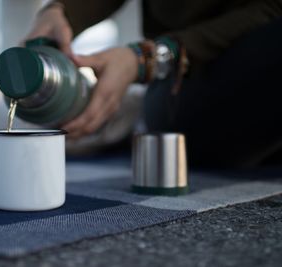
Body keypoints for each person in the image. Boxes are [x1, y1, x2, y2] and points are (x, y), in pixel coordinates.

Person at [24, 0, 282, 168]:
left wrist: (148, 58)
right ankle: (133, 115)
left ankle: (129, 116)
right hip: (181, 88)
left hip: (254, 61)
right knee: (166, 124)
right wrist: (59, 11)